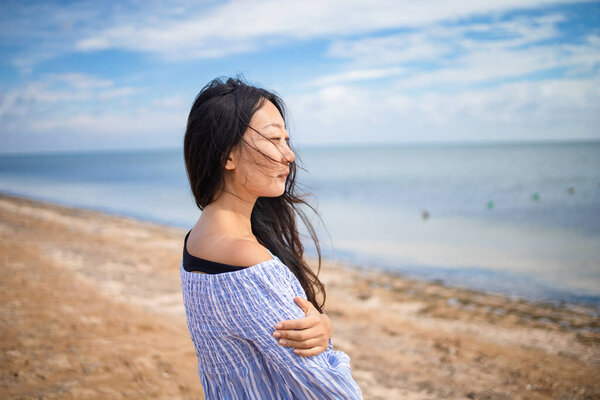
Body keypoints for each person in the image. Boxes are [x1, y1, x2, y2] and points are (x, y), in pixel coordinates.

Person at [180, 76, 363, 399]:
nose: (289, 155)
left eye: (287, 140)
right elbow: (331, 392)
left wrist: (323, 327)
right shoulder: (248, 262)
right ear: (227, 155)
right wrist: (328, 337)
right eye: (274, 139)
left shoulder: (199, 238)